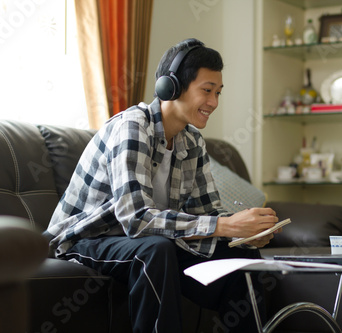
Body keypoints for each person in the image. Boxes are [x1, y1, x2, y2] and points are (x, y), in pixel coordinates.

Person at [45, 38, 279, 332]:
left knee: (243, 258)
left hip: (146, 242)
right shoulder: (132, 127)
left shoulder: (192, 141)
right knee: (155, 250)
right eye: (206, 91)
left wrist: (242, 233)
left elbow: (206, 212)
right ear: (172, 86)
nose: (214, 102)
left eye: (218, 93)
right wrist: (225, 226)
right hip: (84, 240)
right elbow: (135, 218)